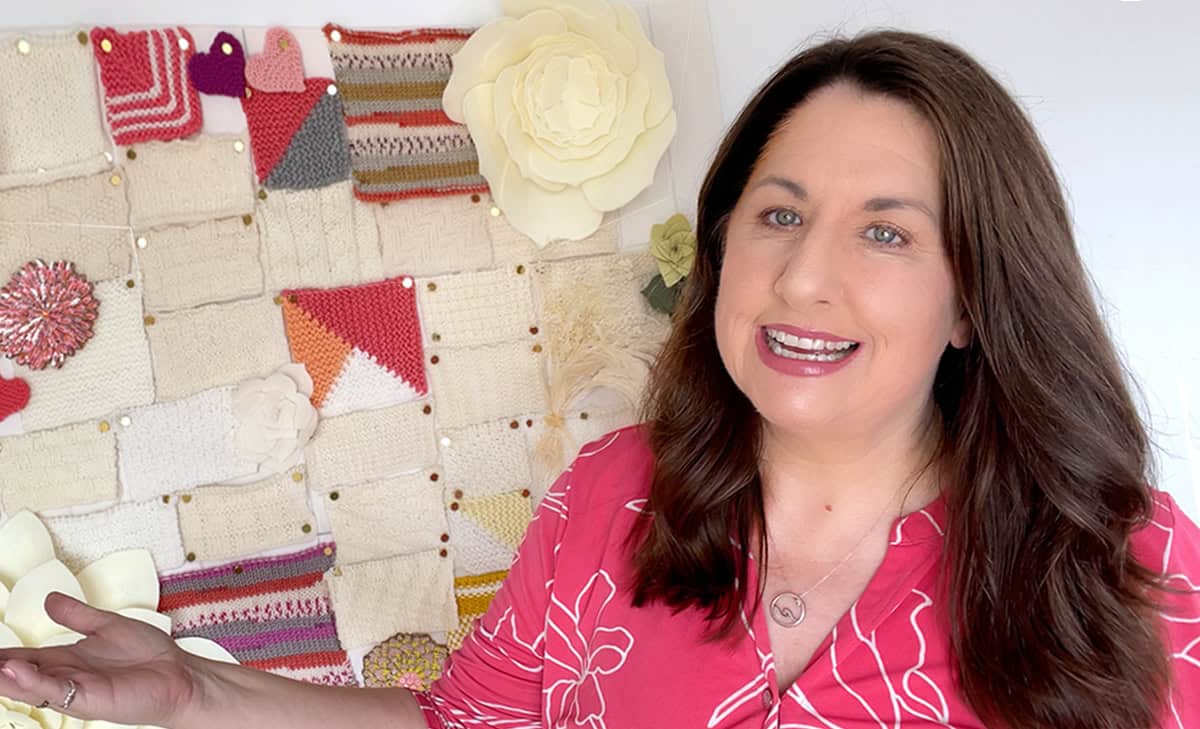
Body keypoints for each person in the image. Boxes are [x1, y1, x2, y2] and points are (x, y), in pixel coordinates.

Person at [1, 28, 1198, 729]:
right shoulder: (612, 496)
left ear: (975, 297)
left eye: (885, 233)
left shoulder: (1135, 571)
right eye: (778, 215)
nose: (802, 278)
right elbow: (471, 721)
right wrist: (200, 695)